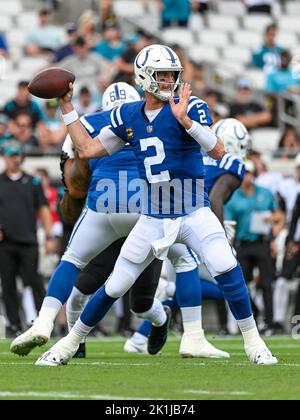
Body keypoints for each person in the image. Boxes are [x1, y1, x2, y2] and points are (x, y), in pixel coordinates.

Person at [33, 44, 277, 366]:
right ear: (144, 77)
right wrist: (66, 105)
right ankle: (66, 345)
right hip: (154, 215)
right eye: (161, 75)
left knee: (225, 266)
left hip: (193, 210)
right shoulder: (128, 114)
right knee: (116, 284)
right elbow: (88, 148)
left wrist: (187, 122)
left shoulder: (190, 106)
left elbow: (218, 150)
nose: (168, 81)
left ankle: (255, 344)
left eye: (172, 75)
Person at [10, 82, 170, 359]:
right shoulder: (151, 118)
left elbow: (72, 185)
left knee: (129, 296)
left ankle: (47, 322)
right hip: (138, 211)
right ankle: (72, 339)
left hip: (115, 209)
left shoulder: (89, 123)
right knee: (90, 285)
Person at [125, 117, 251, 351]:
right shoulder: (233, 163)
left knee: (187, 279)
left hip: (165, 217)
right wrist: (220, 235)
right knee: (224, 280)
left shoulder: (200, 154)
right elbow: (215, 198)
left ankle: (139, 339)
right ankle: (191, 331)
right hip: (194, 223)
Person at [0, 140, 53, 336]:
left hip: (28, 241)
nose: (14, 158)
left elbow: (44, 210)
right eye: (10, 154)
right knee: (8, 286)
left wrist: (48, 236)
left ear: (21, 156)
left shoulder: (34, 182)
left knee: (35, 282)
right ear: (4, 156)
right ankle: (13, 324)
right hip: (5, 243)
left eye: (16, 154)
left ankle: (44, 322)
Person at [225, 160, 284, 333]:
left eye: (249, 173)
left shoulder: (265, 193)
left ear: (253, 175)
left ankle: (269, 322)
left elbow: (279, 216)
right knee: (242, 284)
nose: (246, 177)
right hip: (243, 244)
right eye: (244, 173)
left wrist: (273, 227)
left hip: (262, 242)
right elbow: (230, 224)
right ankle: (255, 312)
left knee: (267, 283)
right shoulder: (234, 196)